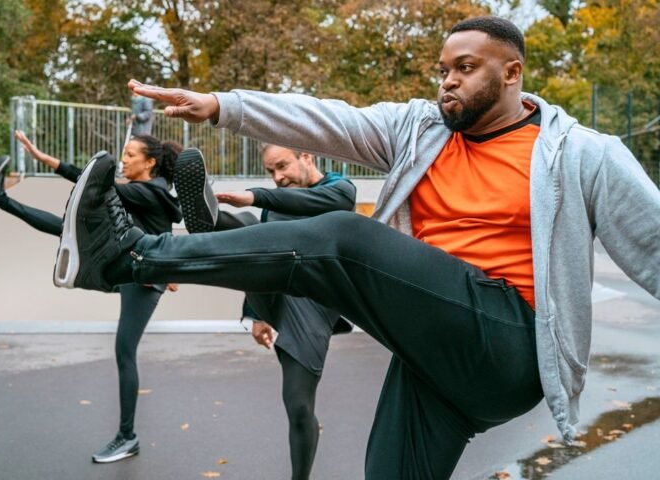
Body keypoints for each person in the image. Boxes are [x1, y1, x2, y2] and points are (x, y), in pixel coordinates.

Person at [52, 16, 660, 480]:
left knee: (344, 237)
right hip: (434, 346)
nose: (448, 80)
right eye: (443, 68)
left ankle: (127, 256)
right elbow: (328, 118)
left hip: (508, 341)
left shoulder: (581, 154)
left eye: (466, 67)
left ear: (512, 71)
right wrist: (222, 106)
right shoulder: (418, 129)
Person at [0, 131, 182, 464]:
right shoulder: (142, 191)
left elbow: (100, 188)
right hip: (131, 266)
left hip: (144, 280)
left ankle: (128, 436)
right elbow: (91, 186)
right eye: (123, 155)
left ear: (150, 162)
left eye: (130, 155)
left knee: (124, 352)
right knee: (66, 226)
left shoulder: (151, 191)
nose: (124, 160)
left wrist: (171, 272)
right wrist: (44, 159)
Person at [174, 144, 355, 480]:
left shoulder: (339, 188)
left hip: (314, 305)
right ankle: (209, 218)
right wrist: (253, 313)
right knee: (249, 230)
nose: (278, 177)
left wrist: (257, 196)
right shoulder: (274, 205)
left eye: (282, 166)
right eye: (271, 171)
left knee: (299, 407)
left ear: (307, 157)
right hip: (276, 290)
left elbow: (330, 203)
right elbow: (254, 257)